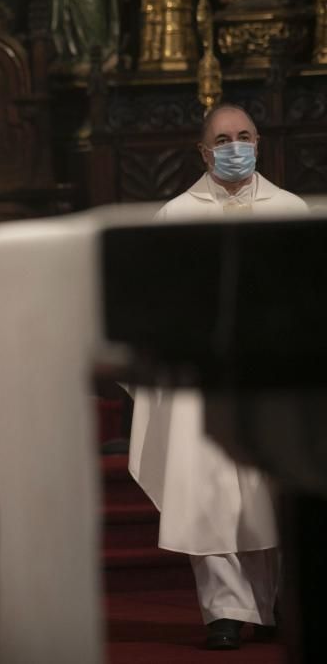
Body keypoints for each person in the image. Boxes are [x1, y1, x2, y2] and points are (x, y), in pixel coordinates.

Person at [129, 103, 307, 650]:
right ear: (205, 153)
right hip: (202, 380)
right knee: (205, 491)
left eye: (245, 136)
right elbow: (151, 306)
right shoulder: (175, 218)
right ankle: (224, 610)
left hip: (270, 375)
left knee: (267, 492)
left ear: (259, 142)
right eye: (224, 139)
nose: (236, 147)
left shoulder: (292, 211)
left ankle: (274, 600)